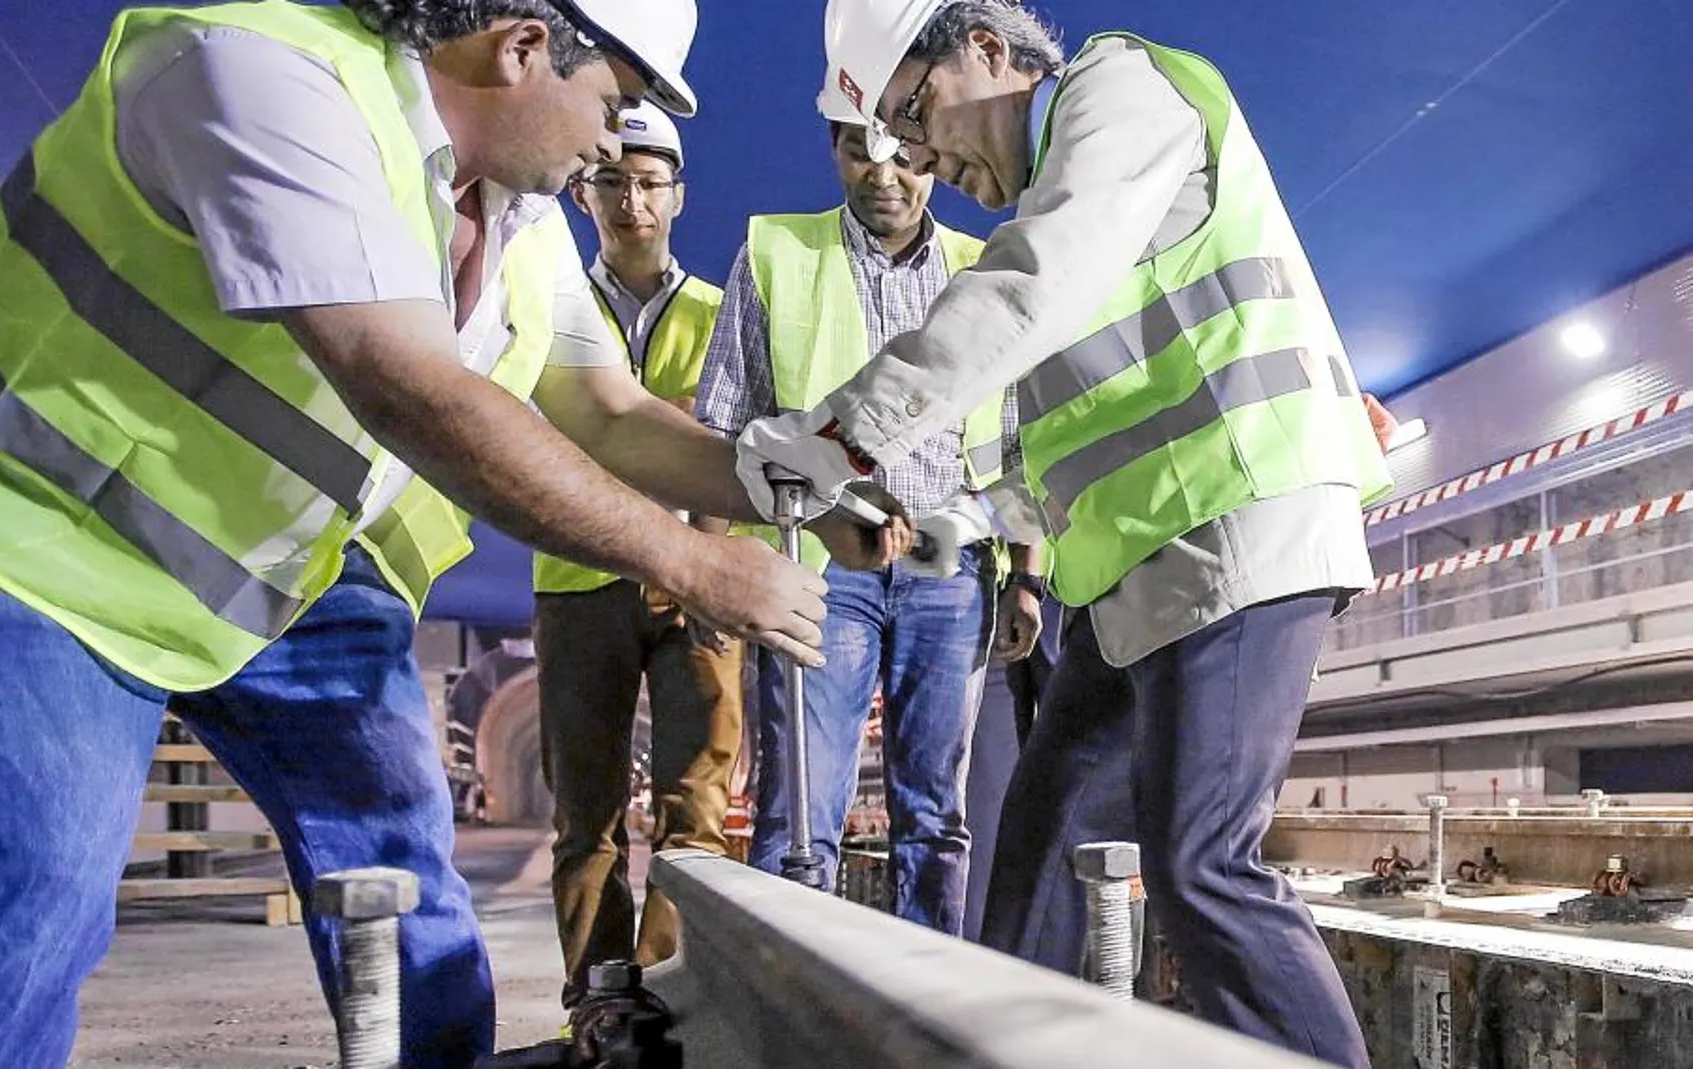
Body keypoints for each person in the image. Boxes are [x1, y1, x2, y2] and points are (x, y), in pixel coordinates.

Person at [0, 2, 901, 1066]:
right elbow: (409, 388)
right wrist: (690, 560)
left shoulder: (521, 228)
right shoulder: (270, 78)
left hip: (249, 572)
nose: (612, 144)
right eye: (612, 102)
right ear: (524, 47)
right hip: (8, 515)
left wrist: (782, 487)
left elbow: (604, 410)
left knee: (398, 857)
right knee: (28, 875)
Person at [736, 1, 1397, 1064]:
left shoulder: (1121, 93)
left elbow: (1029, 290)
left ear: (988, 53)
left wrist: (833, 441)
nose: (919, 155)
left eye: (914, 111)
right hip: (1140, 572)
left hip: (1235, 527)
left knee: (1202, 865)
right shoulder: (1051, 212)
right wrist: (934, 529)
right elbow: (1033, 462)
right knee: (1040, 844)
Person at [699, 91, 1042, 937]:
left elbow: (1018, 440)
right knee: (800, 810)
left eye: (898, 155)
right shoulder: (775, 252)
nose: (882, 175)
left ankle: (924, 1002)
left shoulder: (980, 268)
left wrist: (1028, 579)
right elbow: (722, 419)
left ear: (926, 155)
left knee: (935, 813)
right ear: (833, 149)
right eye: (859, 152)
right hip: (820, 566)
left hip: (949, 563)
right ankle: (794, 996)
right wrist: (708, 574)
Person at [530, 101, 745, 1012]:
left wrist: (714, 564)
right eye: (611, 179)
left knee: (695, 807)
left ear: (678, 195)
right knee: (587, 815)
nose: (631, 200)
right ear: (584, 192)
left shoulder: (722, 309)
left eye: (650, 181)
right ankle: (595, 996)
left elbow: (733, 444)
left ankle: (666, 990)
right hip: (578, 579)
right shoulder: (548, 306)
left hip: (698, 575)